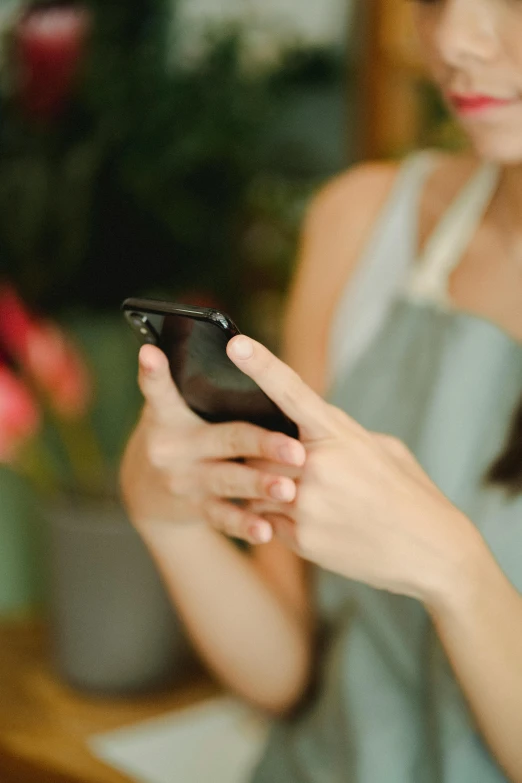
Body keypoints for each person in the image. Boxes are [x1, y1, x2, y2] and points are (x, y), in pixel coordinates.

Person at [120, 1, 522, 781]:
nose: (455, 41)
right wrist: (162, 510)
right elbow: (287, 671)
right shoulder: (362, 222)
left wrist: (458, 574)